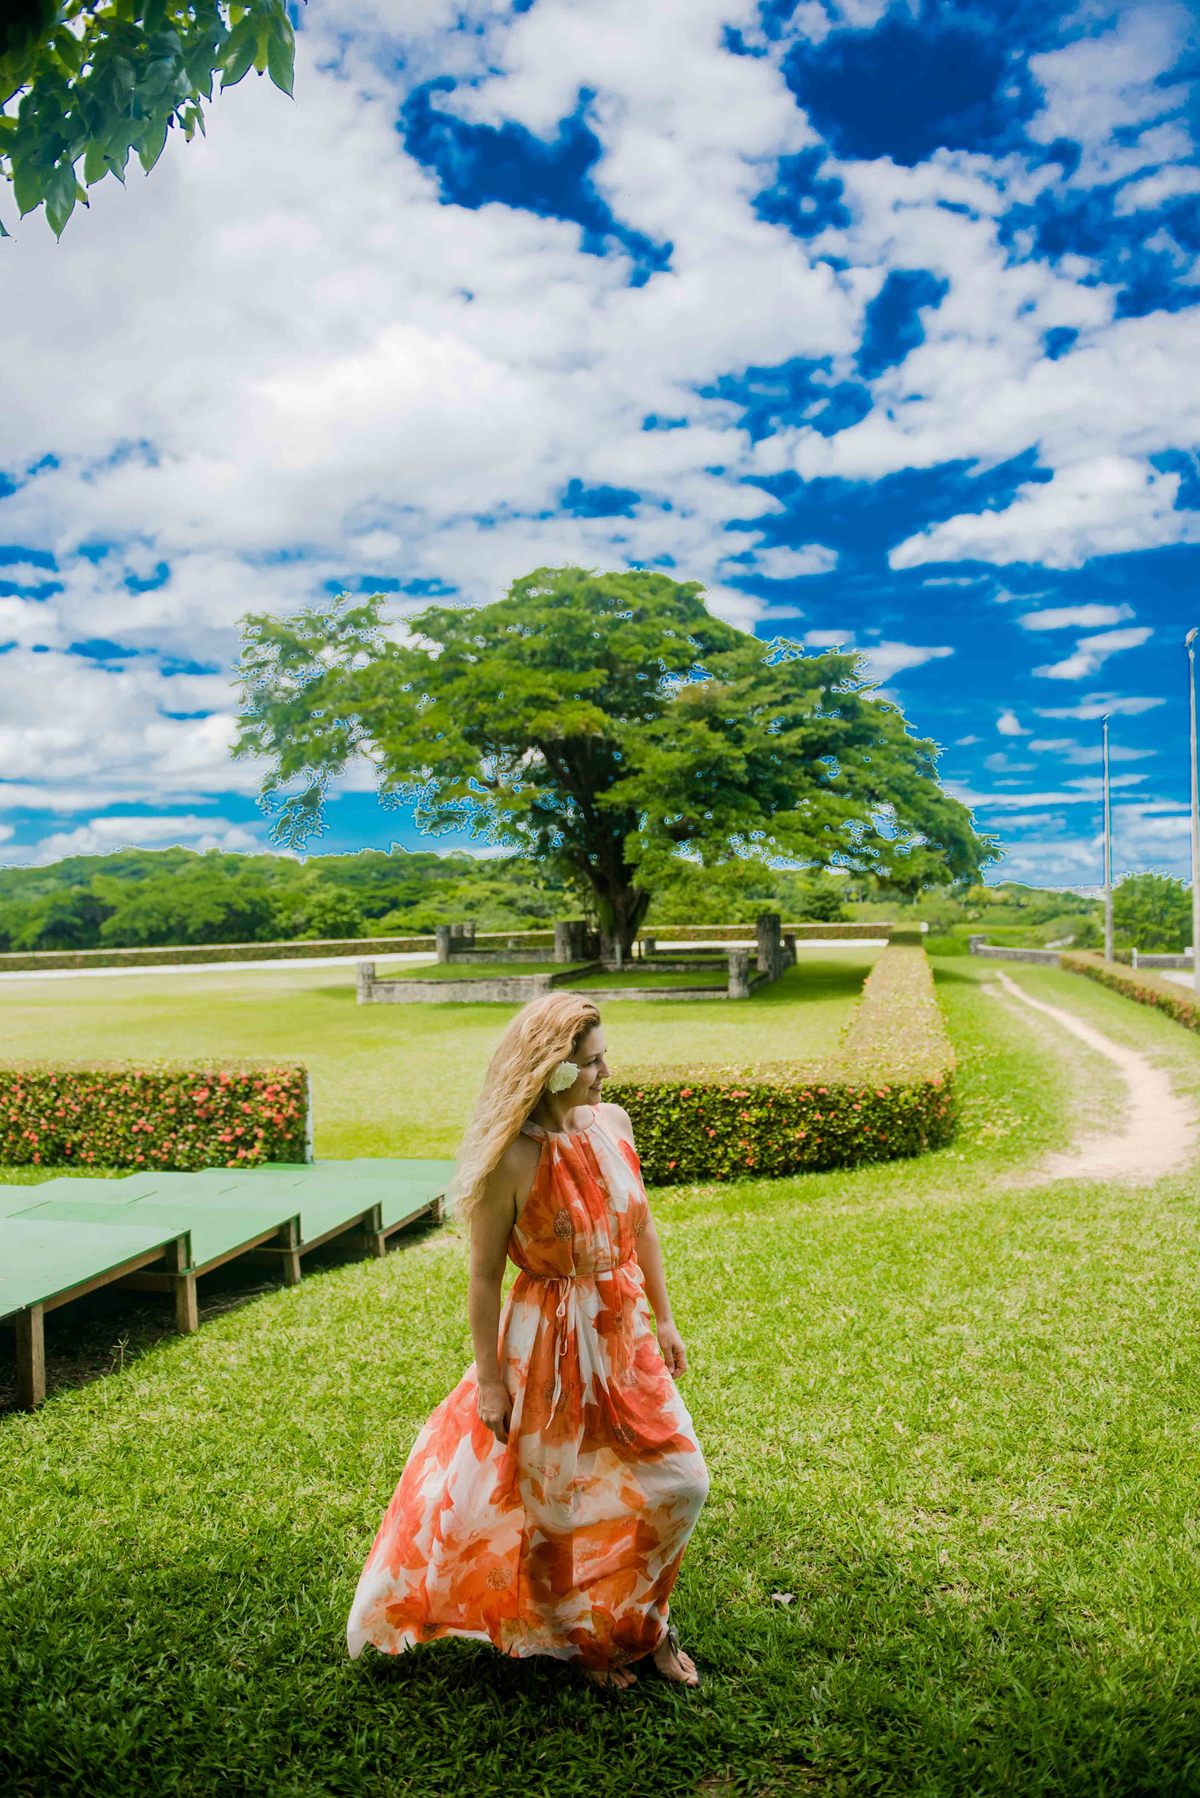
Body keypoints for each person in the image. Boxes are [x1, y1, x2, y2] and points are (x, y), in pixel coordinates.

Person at [345, 989, 710, 1690]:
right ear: (550, 1070)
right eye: (592, 1063)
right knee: (558, 1505)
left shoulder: (614, 1125)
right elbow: (484, 1278)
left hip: (622, 1330)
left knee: (680, 1482)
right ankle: (586, 1641)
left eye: (603, 1059)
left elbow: (642, 1230)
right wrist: (489, 1379)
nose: (606, 1074)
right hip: (547, 1343)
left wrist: (664, 1319)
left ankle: (644, 1622)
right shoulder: (510, 1161)